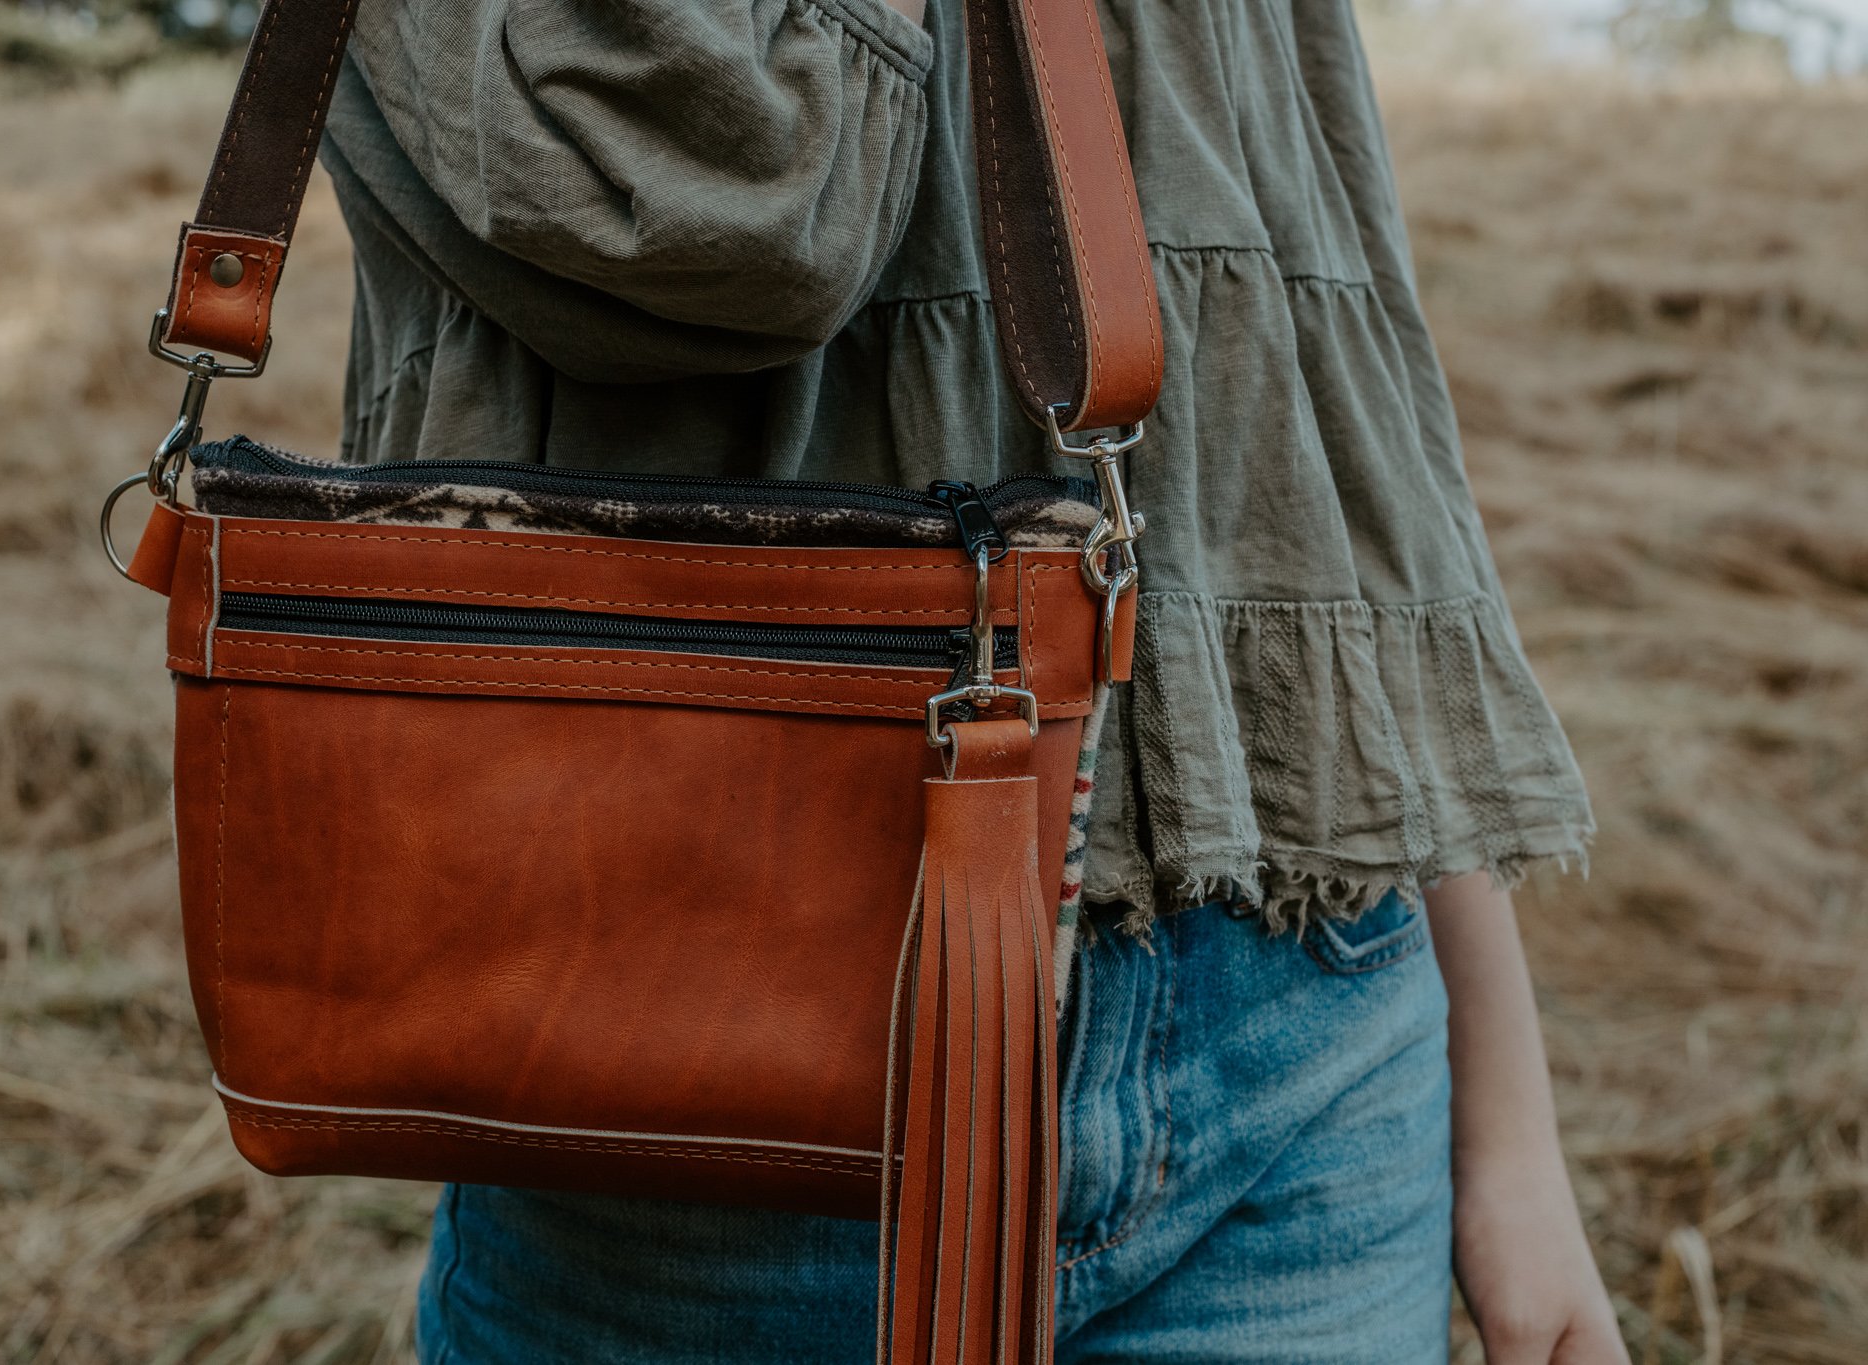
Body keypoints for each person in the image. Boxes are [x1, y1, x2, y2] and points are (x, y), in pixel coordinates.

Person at [314, 0, 1622, 1359]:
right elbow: (738, 195)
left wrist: (1507, 1109)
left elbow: (1322, 362)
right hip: (700, 1084)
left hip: (1297, 1051)